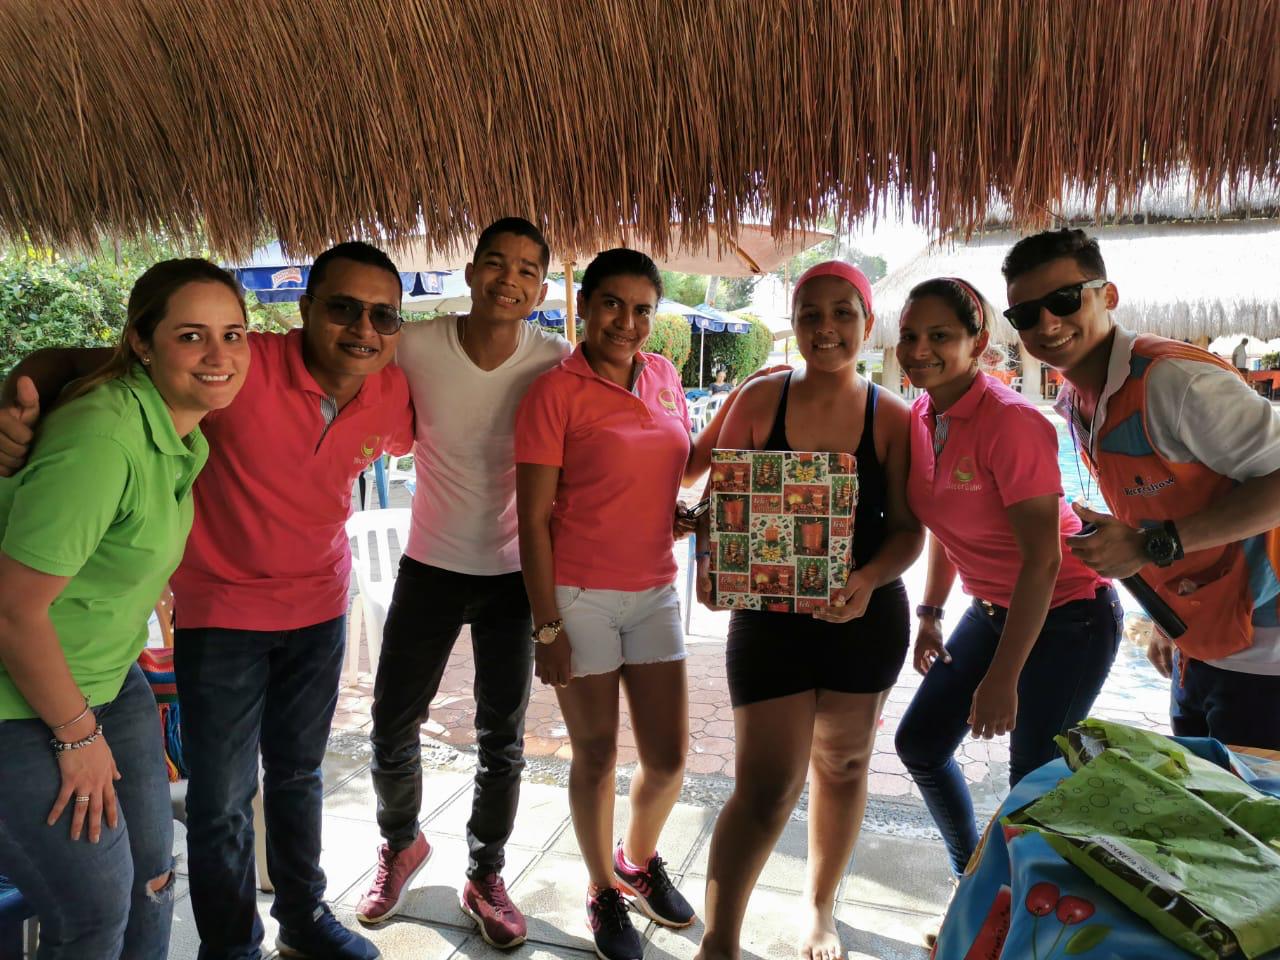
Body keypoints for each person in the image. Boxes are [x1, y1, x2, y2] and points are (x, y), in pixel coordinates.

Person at [0, 241, 416, 960]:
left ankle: (303, 919)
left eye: (383, 315)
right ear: (305, 309)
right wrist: (16, 394)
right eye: (343, 308)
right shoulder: (234, 368)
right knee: (221, 800)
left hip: (317, 608)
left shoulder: (389, 388)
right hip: (222, 617)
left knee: (296, 778)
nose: (362, 328)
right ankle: (230, 947)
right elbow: (76, 362)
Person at [0, 259, 250, 959]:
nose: (219, 354)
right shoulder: (104, 438)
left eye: (233, 334)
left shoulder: (176, 426)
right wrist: (77, 738)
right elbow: (12, 611)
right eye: (191, 335)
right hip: (21, 703)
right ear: (142, 342)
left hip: (110, 679)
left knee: (154, 880)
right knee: (94, 913)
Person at [693, 261, 922, 960]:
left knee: (845, 765)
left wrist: (867, 581)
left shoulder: (892, 416)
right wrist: (710, 565)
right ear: (793, 325)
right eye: (810, 315)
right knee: (766, 787)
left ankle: (820, 908)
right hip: (769, 623)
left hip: (864, 617)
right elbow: (720, 501)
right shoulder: (761, 399)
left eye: (842, 313)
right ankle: (719, 940)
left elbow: (910, 532)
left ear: (867, 323)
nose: (827, 329)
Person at [356, 218, 567, 948]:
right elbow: (340, 360)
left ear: (541, 287)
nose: (510, 280)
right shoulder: (415, 344)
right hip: (430, 565)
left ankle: (486, 874)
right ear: (472, 271)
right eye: (497, 264)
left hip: (512, 573)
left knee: (501, 738)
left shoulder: (553, 359)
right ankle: (400, 843)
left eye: (528, 270)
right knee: (391, 722)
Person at [1002, 228, 1280, 750]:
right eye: (1026, 314)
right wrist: (1164, 620)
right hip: (1200, 637)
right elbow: (1154, 508)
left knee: (1248, 801)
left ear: (1108, 296)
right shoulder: (1077, 403)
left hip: (1266, 649)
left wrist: (1153, 546)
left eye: (1065, 300)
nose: (1047, 323)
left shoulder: (1174, 381)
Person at [891, 277, 1122, 881]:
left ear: (977, 342)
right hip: (993, 608)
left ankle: (1025, 909)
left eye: (940, 335)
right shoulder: (922, 415)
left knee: (1031, 785)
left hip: (1071, 614)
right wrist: (930, 613)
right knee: (920, 745)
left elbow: (1044, 561)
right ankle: (973, 877)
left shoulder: (1012, 422)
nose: (919, 350)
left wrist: (1002, 677)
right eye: (909, 336)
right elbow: (945, 523)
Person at [515, 249, 697, 960]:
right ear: (585, 305)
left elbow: (671, 465)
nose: (627, 321)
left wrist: (675, 511)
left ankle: (636, 860)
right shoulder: (554, 391)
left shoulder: (664, 376)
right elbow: (532, 518)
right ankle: (600, 888)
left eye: (642, 308)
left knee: (669, 758)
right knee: (596, 755)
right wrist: (547, 625)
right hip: (579, 595)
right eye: (613, 304)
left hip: (654, 590)